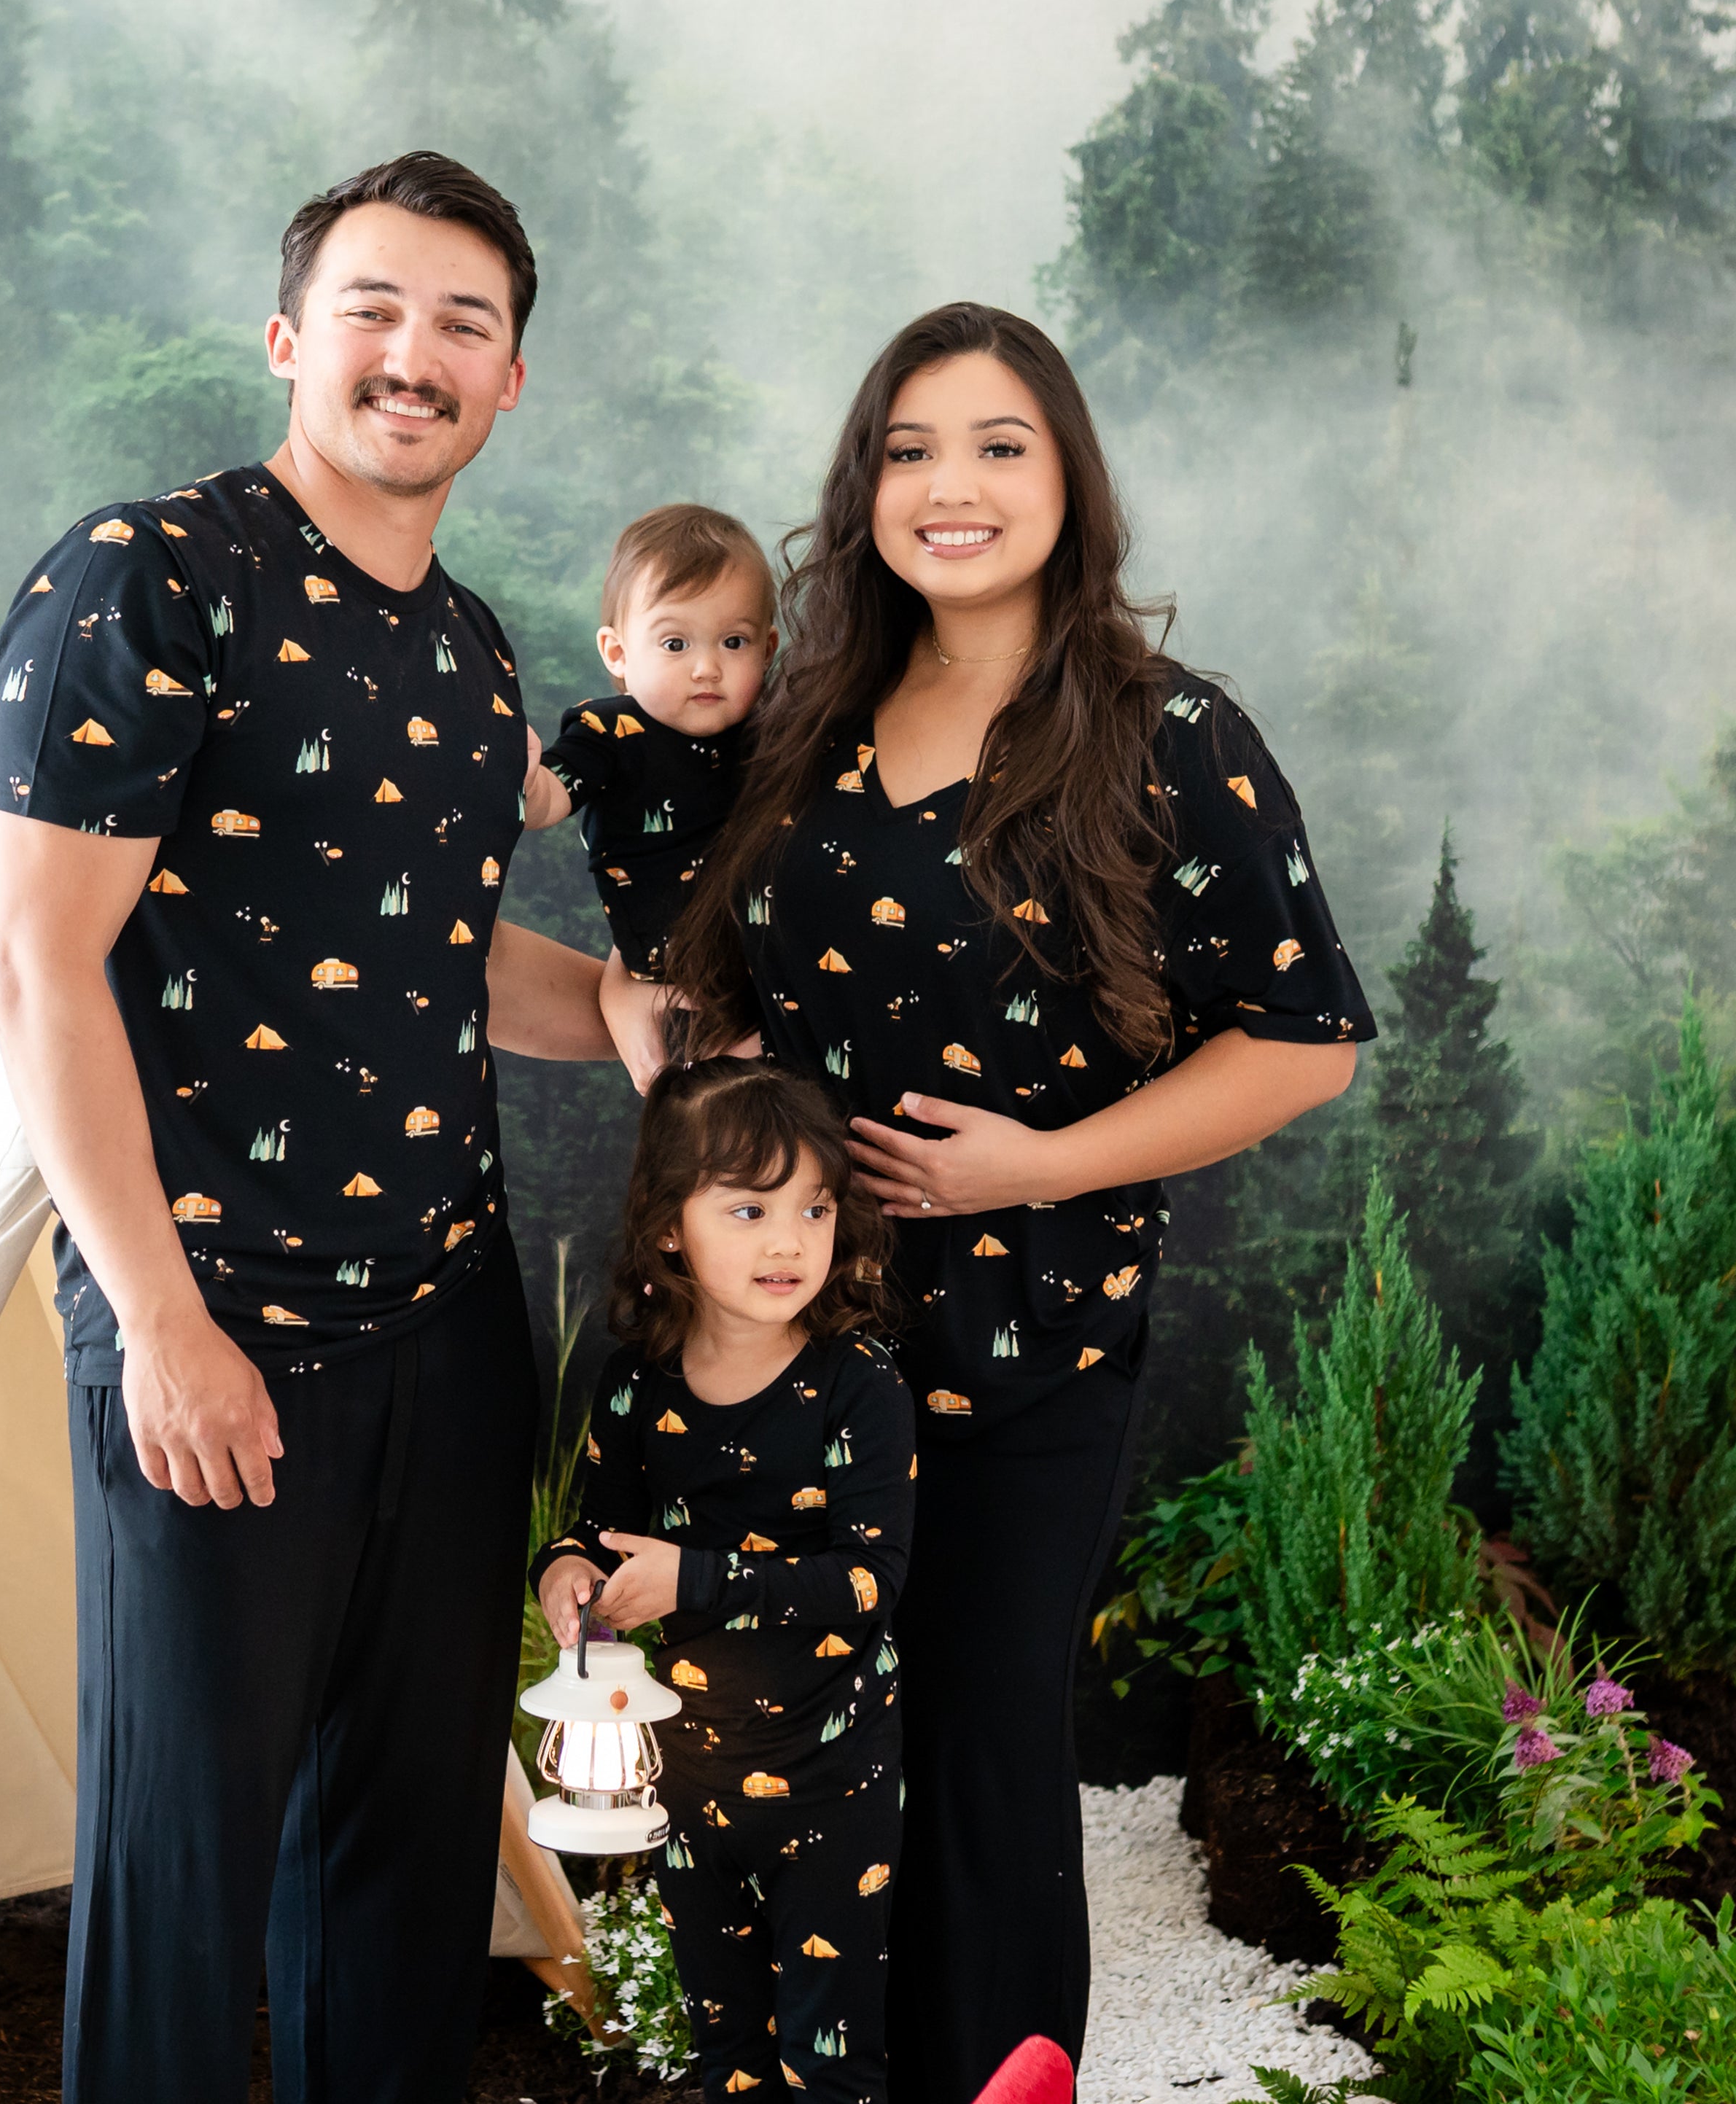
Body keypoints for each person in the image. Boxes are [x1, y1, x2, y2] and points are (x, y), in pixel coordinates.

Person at [658, 303, 1376, 2101]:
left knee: (971, 1761)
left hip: (1021, 1357)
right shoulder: (802, 723)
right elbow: (725, 985)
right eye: (906, 449)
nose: (947, 486)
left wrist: (1039, 1162)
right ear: (861, 485)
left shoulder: (1163, 734)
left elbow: (1304, 1043)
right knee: (787, 1750)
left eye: (996, 445)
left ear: (1066, 478)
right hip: (784, 1361)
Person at [0, 151, 612, 2104]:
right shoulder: (145, 576)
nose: (415, 356)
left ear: (512, 384)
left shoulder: (473, 650)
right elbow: (37, 969)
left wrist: (646, 1016)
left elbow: (432, 947)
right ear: (288, 338)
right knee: (186, 1881)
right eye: (375, 308)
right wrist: (156, 1319)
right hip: (212, 1317)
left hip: (448, 1326)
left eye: (465, 326)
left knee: (405, 1873)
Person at [532, 1058, 912, 2103]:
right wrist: (565, 1572)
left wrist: (695, 1580)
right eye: (748, 1209)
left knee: (829, 2063)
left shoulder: (858, 1384)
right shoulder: (636, 1384)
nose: (789, 1241)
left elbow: (871, 1581)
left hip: (835, 1783)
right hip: (693, 1782)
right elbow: (592, 1537)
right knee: (726, 2059)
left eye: (814, 1208)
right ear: (670, 1227)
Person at [522, 503, 776, 1080]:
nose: (707, 668)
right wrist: (523, 778)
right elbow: (549, 799)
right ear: (617, 653)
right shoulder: (611, 732)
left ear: (769, 648)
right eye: (675, 644)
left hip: (777, 974)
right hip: (674, 987)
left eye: (734, 643)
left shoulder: (777, 732)